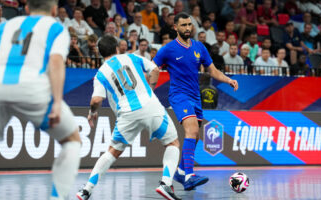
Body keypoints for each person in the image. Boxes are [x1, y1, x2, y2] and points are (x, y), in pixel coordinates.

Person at [76, 35, 181, 200]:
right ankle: (165, 184)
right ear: (117, 48)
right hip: (151, 106)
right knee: (172, 143)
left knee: (112, 152)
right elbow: (154, 69)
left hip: (127, 114)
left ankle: (86, 190)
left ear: (100, 53)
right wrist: (150, 89)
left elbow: (96, 100)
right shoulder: (132, 57)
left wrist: (92, 113)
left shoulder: (101, 73)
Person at [0, 1, 81, 199]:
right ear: (54, 10)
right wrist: (58, 102)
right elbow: (55, 62)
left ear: (26, 8)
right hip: (32, 89)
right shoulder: (56, 28)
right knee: (72, 141)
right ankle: (57, 197)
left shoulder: (5, 25)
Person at [153, 12, 238, 191]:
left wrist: (228, 80)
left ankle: (181, 171)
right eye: (183, 25)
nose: (187, 28)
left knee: (196, 136)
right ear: (175, 27)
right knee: (191, 131)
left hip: (195, 97)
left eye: (189, 25)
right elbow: (153, 67)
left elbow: (212, 71)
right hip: (179, 96)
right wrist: (149, 88)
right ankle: (189, 176)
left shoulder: (200, 47)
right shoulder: (168, 49)